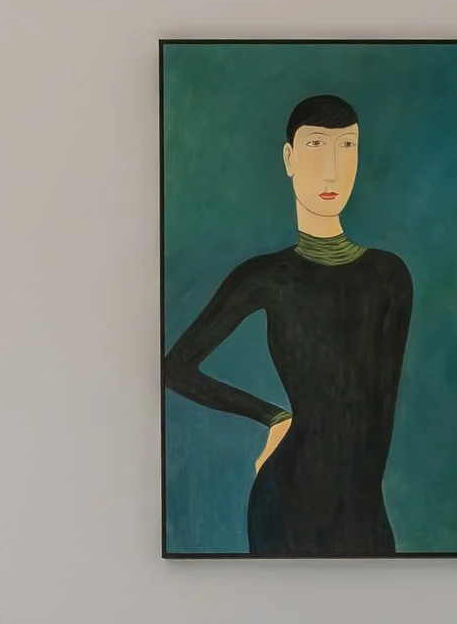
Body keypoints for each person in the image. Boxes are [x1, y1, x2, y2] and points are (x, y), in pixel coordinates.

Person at [163, 92, 413, 555]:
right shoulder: (266, 277)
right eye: (317, 146)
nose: (333, 170)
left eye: (347, 147)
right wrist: (273, 417)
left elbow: (379, 417)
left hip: (363, 509)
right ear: (289, 159)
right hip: (284, 500)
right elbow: (175, 367)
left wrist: (368, 511)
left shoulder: (389, 276)